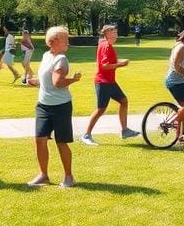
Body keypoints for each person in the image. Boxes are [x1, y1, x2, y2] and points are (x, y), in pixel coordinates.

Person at [26, 26, 81, 187]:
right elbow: (47, 80)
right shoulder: (46, 56)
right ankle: (43, 175)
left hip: (61, 106)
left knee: (61, 142)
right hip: (43, 105)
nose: (68, 43)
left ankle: (69, 177)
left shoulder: (61, 59)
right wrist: (35, 81)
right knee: (39, 139)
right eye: (66, 40)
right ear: (55, 41)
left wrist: (73, 80)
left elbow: (58, 83)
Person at [80, 24, 140, 145]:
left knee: (123, 101)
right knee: (101, 109)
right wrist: (121, 64)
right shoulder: (106, 46)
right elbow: (104, 65)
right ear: (107, 33)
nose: (116, 33)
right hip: (103, 82)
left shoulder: (104, 44)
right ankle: (86, 135)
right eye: (113, 31)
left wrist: (118, 61)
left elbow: (108, 62)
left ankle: (125, 130)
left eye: (116, 31)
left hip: (110, 82)